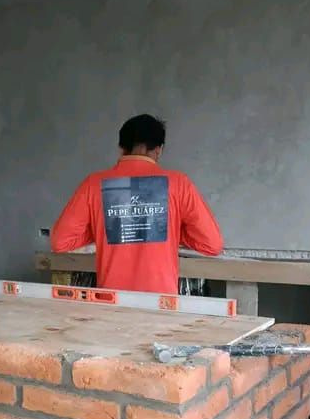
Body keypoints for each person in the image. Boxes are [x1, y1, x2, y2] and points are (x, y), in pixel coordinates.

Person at [51, 114, 224, 294]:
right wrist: (173, 232)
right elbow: (212, 244)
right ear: (159, 150)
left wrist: (101, 230)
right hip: (161, 302)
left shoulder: (94, 184)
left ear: (121, 148)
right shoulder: (178, 184)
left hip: (111, 301)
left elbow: (60, 242)